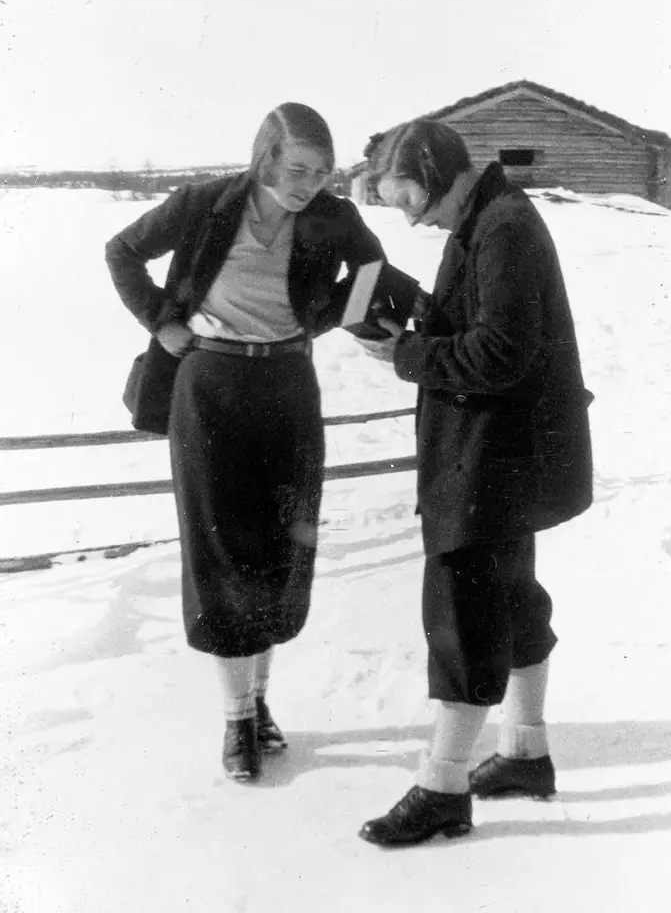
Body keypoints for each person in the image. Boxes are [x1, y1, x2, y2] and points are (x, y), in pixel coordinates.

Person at [105, 103, 388, 782]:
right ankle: (235, 719)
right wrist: (163, 324)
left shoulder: (331, 216)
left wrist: (320, 323)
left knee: (277, 546)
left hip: (288, 387)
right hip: (209, 385)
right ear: (265, 159)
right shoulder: (204, 203)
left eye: (321, 173)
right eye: (296, 169)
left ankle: (259, 702)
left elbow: (373, 273)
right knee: (219, 548)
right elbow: (122, 251)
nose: (308, 185)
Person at [355, 119, 593, 846]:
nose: (413, 217)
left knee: (462, 614)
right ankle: (524, 752)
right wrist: (422, 316)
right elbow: (489, 325)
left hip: (492, 459)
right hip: (500, 456)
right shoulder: (487, 217)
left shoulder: (502, 227)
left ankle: (441, 786)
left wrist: (407, 355)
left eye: (409, 201)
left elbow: (501, 352)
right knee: (514, 602)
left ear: (434, 173)